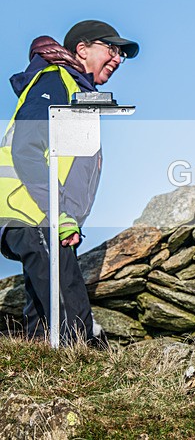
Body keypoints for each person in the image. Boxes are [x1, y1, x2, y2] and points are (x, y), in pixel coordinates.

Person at [0, 20, 139, 345]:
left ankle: (40, 370)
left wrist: (67, 216)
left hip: (42, 212)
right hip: (31, 209)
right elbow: (26, 148)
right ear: (82, 48)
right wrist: (58, 212)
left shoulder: (76, 91)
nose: (118, 58)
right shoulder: (55, 81)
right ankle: (87, 360)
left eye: (121, 54)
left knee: (43, 305)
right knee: (67, 296)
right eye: (112, 48)